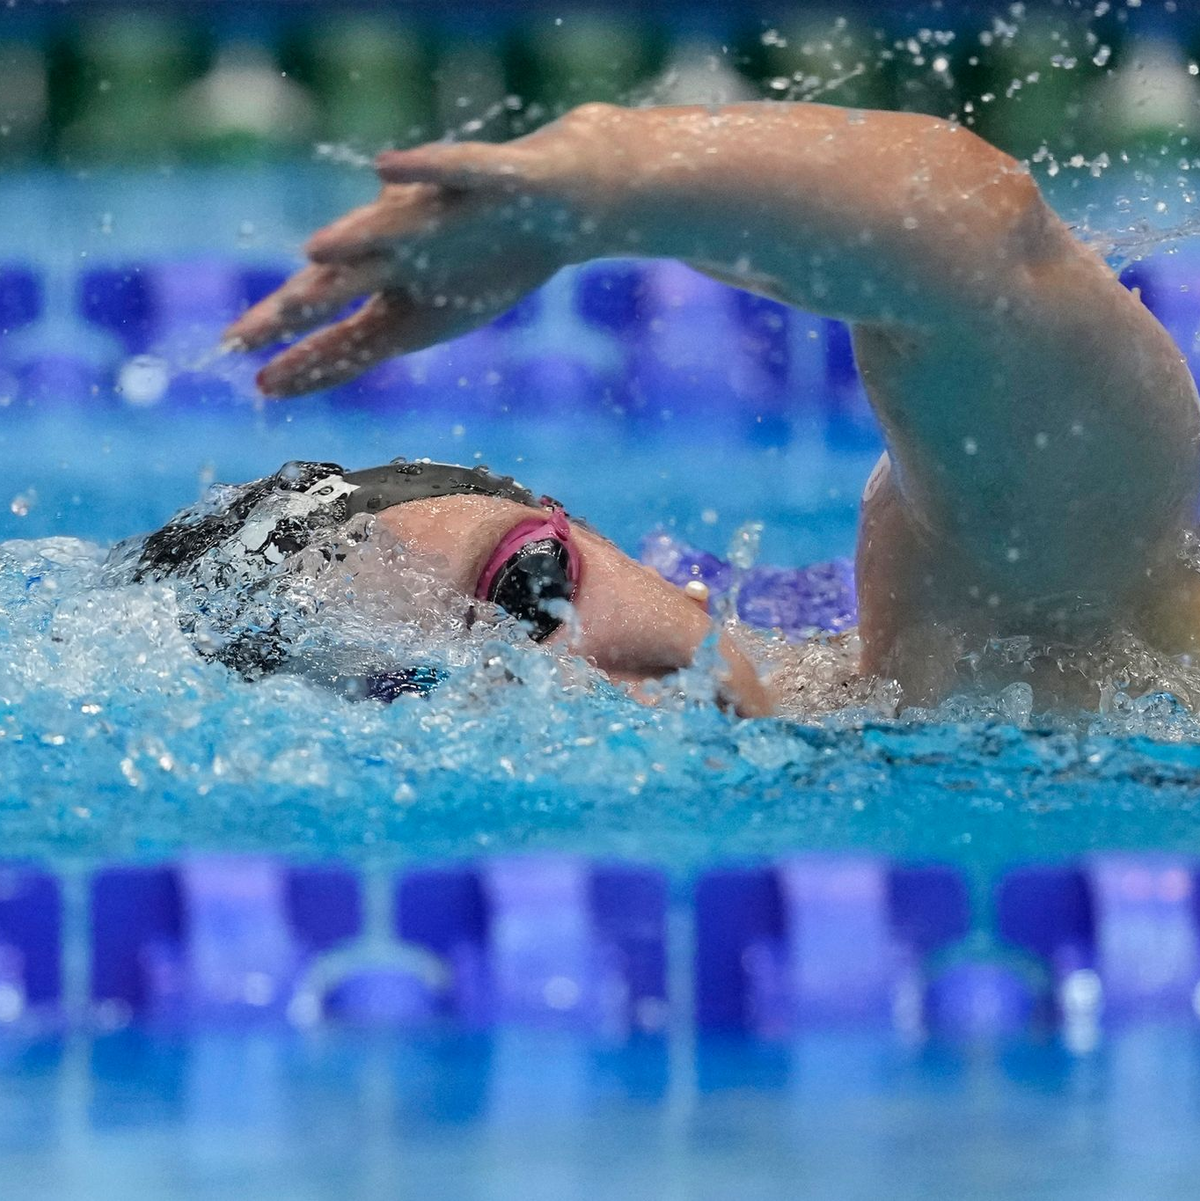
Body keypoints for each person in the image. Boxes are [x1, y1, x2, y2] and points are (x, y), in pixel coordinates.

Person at [210, 100, 1200, 714]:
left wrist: (607, 182)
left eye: (529, 591)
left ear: (610, 546)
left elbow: (991, 258)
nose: (541, 675)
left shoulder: (970, 641)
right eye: (421, 690)